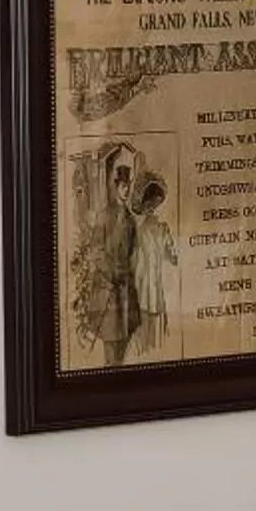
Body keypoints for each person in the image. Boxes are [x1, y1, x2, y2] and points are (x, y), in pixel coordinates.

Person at [80, 145, 140, 366]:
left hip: (126, 290)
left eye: (129, 186)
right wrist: (111, 271)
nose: (126, 190)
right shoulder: (105, 216)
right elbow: (96, 250)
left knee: (124, 343)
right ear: (116, 187)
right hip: (108, 289)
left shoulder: (131, 219)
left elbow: (132, 250)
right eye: (123, 186)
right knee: (111, 350)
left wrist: (125, 274)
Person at [131, 173, 178, 355]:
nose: (152, 207)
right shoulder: (138, 229)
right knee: (145, 334)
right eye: (150, 203)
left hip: (153, 289)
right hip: (142, 287)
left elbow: (173, 258)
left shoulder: (160, 228)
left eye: (155, 204)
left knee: (155, 334)